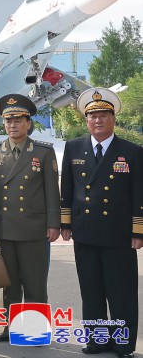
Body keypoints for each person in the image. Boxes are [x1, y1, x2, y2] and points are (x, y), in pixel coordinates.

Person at [60, 88, 142, 358]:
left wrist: (138, 230)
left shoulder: (131, 152)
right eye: (93, 115)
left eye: (103, 115)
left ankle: (123, 344)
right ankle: (97, 339)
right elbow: (68, 189)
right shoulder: (74, 148)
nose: (98, 120)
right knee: (91, 290)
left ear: (113, 118)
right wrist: (66, 224)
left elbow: (139, 194)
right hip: (85, 233)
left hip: (118, 235)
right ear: (86, 121)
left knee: (121, 292)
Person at [0, 94, 59, 342]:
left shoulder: (43, 152)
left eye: (18, 120)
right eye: (8, 121)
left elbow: (52, 191)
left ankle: (36, 330)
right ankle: (10, 327)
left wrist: (53, 224)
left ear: (29, 123)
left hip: (34, 228)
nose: (12, 125)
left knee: (35, 282)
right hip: (4, 228)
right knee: (9, 281)